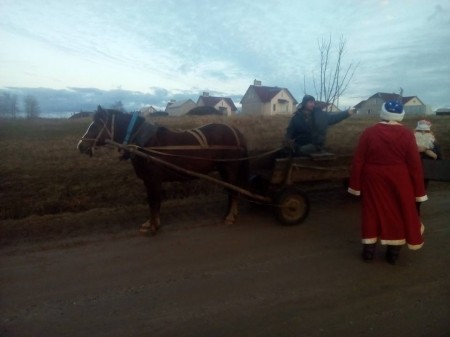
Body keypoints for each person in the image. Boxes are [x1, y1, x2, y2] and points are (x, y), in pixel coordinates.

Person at [347, 100, 427, 265]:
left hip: (373, 178)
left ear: (382, 113)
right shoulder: (407, 134)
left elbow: (359, 160)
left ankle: (368, 251)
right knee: (397, 212)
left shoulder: (369, 132)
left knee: (371, 211)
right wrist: (419, 191)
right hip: (399, 178)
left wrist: (355, 185)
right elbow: (414, 164)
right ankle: (393, 253)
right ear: (400, 115)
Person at [284, 95, 356, 156]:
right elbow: (290, 130)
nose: (313, 104)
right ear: (304, 103)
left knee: (300, 150)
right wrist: (288, 140)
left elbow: (334, 118)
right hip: (300, 143)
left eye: (313, 103)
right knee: (285, 151)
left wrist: (347, 113)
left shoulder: (320, 115)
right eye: (310, 102)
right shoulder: (297, 117)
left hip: (315, 144)